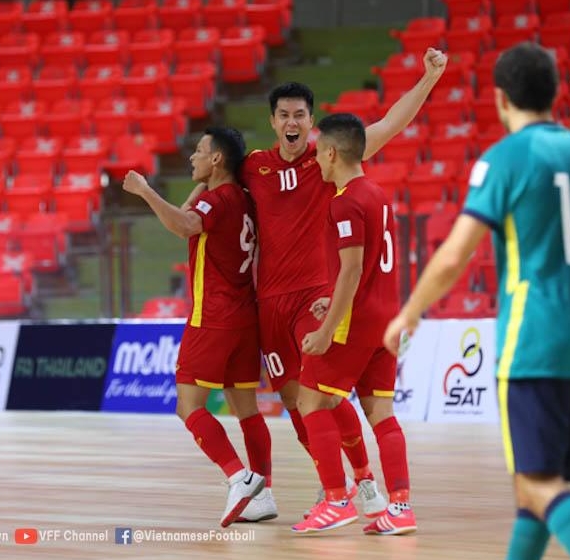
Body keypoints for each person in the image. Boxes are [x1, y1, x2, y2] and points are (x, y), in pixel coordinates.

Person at [383, 42, 570, 560]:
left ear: (500, 98)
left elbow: (455, 257)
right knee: (535, 489)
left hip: (534, 342)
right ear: (554, 94)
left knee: (539, 487)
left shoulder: (506, 158)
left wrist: (408, 313)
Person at [233, 49, 448, 518]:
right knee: (293, 399)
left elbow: (391, 123)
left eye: (301, 115)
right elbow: (212, 178)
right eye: (284, 115)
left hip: (317, 295)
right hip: (270, 300)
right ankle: (336, 485)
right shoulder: (254, 166)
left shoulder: (327, 158)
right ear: (273, 121)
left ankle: (361, 483)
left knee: (321, 395)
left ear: (312, 122)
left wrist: (428, 80)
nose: (293, 122)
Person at [122, 127, 273, 527]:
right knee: (247, 411)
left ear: (217, 159)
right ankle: (264, 491)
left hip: (214, 318)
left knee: (188, 406)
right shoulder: (240, 198)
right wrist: (196, 191)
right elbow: (194, 215)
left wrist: (145, 191)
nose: (192, 157)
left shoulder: (217, 201)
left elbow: (186, 225)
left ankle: (238, 478)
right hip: (245, 317)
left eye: (200, 151)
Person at [289, 113, 415, 536]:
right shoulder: (377, 194)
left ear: (331, 152)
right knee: (382, 411)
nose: (317, 161)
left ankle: (336, 501)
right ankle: (400, 508)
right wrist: (333, 299)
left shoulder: (343, 200)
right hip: (386, 318)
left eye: (320, 152)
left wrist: (327, 329)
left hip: (355, 323)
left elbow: (353, 267)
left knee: (312, 403)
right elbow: (367, 269)